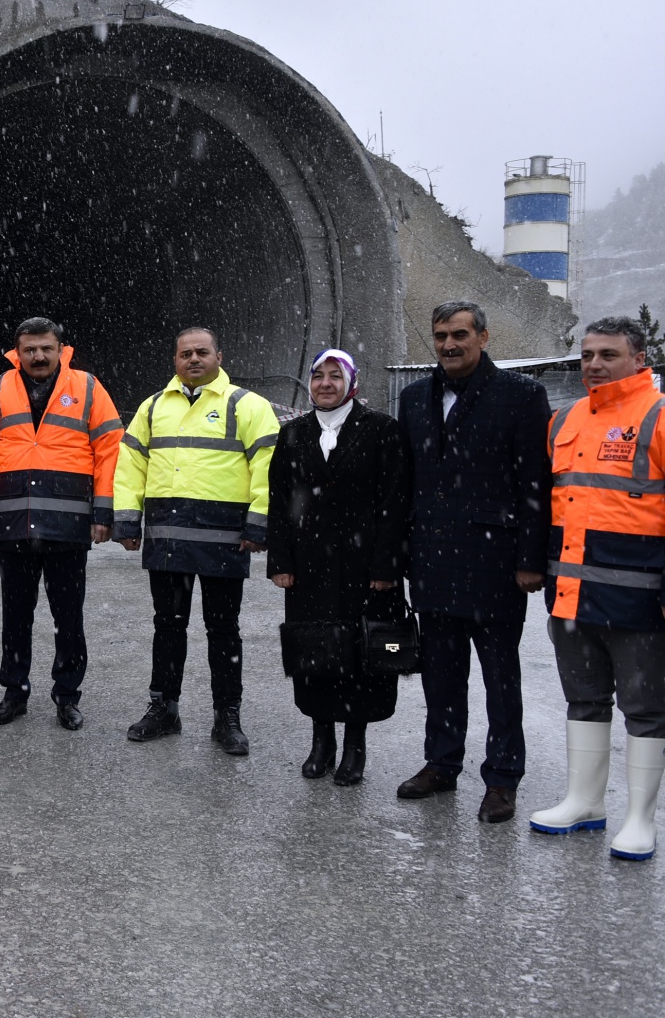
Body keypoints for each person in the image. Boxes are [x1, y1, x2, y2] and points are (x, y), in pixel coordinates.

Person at [395, 301, 551, 823]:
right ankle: (441, 764)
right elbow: (407, 483)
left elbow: (535, 483)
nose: (448, 345)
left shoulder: (522, 396)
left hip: (495, 563)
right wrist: (402, 554)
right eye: (440, 335)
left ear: (484, 338)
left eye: (460, 334)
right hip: (433, 561)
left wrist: (532, 559)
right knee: (441, 674)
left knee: (500, 678)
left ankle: (503, 777)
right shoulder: (414, 398)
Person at [531, 316, 665, 860]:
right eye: (587, 354)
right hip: (571, 597)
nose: (594, 365)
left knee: (647, 708)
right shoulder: (563, 421)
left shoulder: (658, 418)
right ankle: (584, 802)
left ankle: (639, 819)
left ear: (638, 358)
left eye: (608, 354)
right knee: (584, 700)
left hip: (641, 600)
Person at [115, 326, 280, 755]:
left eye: (201, 352)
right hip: (167, 541)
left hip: (224, 544)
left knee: (223, 630)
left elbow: (268, 468)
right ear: (174, 360)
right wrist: (128, 522)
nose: (193, 359)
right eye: (185, 353)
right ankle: (164, 708)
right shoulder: (152, 408)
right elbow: (129, 464)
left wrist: (259, 526)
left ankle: (227, 716)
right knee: (167, 628)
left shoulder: (247, 406)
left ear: (218, 357)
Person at [0, 318, 124, 731]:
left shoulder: (87, 388)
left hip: (69, 528)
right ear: (17, 352)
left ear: (60, 350)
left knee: (68, 618)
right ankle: (14, 692)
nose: (38, 357)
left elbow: (110, 450)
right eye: (29, 350)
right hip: (15, 526)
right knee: (15, 617)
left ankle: (67, 696)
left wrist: (104, 513)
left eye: (45, 349)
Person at [267, 350, 410, 785]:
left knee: (360, 656)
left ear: (353, 383)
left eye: (335, 376)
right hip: (309, 569)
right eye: (317, 376)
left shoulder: (382, 431)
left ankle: (354, 747)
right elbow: (279, 503)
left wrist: (387, 565)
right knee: (315, 653)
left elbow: (395, 503)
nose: (325, 384)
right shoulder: (293, 434)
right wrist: (281, 561)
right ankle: (321, 741)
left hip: (364, 569)